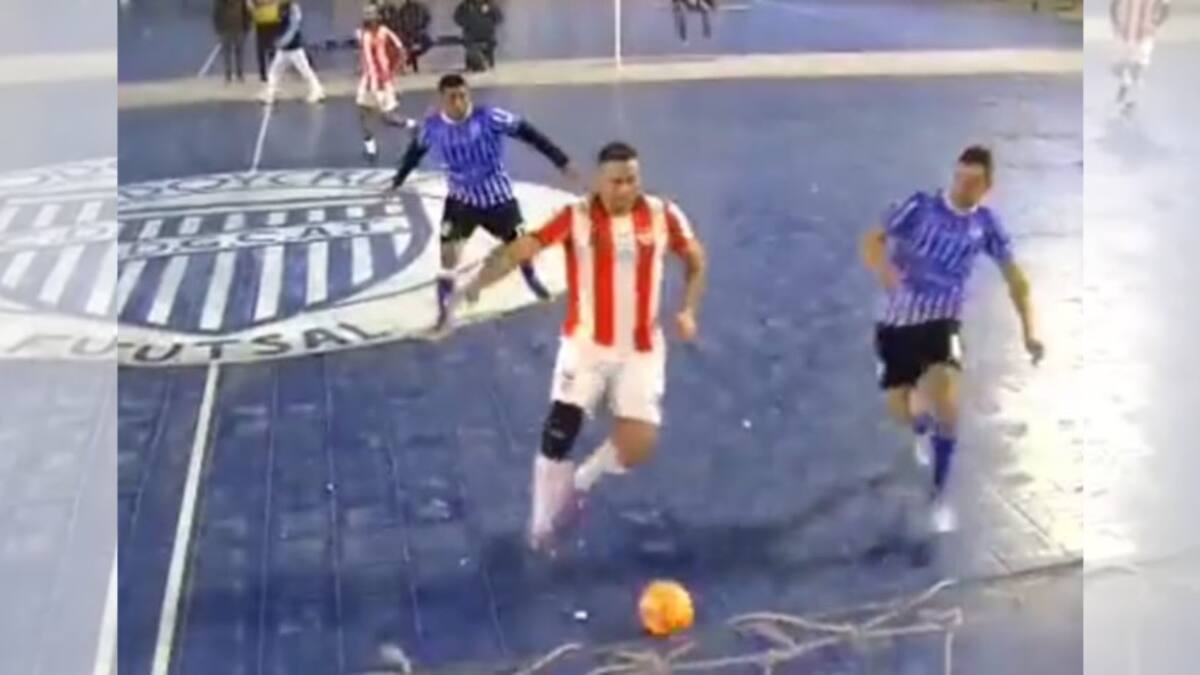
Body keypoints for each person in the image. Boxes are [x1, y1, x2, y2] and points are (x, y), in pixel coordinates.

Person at [451, 141, 708, 551]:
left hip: (641, 349)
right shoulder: (575, 218)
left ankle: (580, 483)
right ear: (598, 181)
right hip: (585, 345)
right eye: (616, 182)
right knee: (559, 431)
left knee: (638, 443)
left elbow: (695, 261)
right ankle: (542, 526)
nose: (625, 189)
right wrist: (477, 284)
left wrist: (689, 310)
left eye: (631, 180)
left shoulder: (663, 215)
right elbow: (522, 249)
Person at [859, 146, 1044, 533]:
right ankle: (919, 426)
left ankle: (938, 495)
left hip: (944, 322)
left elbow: (1016, 280)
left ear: (987, 187)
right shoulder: (920, 206)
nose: (963, 186)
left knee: (948, 400)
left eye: (972, 181)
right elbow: (873, 240)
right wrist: (886, 271)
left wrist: (1030, 331)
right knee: (902, 409)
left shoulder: (987, 226)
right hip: (897, 323)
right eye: (959, 177)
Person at [387, 74, 580, 329]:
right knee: (448, 257)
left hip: (498, 199)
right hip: (460, 202)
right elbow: (415, 153)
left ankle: (531, 277)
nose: (459, 102)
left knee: (520, 248)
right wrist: (398, 180)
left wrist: (561, 160)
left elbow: (529, 133)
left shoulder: (489, 118)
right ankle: (445, 309)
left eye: (463, 96)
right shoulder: (432, 128)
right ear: (441, 100)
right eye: (452, 98)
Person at [356, 3, 416, 163]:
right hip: (367, 81)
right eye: (366, 14)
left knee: (386, 118)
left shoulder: (385, 32)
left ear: (378, 17)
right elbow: (364, 55)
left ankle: (412, 125)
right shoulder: (361, 33)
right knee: (364, 115)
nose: (367, 17)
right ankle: (371, 150)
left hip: (381, 82)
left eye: (371, 14)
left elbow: (402, 51)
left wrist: (392, 72)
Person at [259, 0, 325, 104]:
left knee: (305, 71)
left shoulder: (294, 9)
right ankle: (270, 94)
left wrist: (283, 41)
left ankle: (318, 91)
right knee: (273, 72)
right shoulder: (281, 7)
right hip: (283, 50)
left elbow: (293, 28)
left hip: (295, 48)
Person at [1110, 0, 1170, 114]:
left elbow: (1166, 7)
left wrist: (1156, 24)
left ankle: (1130, 103)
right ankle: (1126, 88)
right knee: (1120, 68)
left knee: (1137, 68)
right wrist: (1116, 23)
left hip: (1144, 36)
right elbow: (1114, 4)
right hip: (1125, 33)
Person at [383, 0, 433, 73]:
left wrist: (422, 27)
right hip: (405, 33)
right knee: (404, 47)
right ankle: (404, 63)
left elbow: (427, 18)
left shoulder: (420, 7)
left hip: (416, 32)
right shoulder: (402, 9)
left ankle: (409, 59)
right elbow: (398, 23)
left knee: (427, 43)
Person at [454, 0, 503, 71]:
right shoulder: (465, 6)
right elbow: (457, 18)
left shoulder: (490, 5)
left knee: (488, 61)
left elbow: (499, 18)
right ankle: (476, 64)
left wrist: (489, 25)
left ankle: (486, 64)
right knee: (473, 59)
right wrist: (467, 24)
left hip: (487, 38)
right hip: (472, 39)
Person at [213, 0, 250, 83]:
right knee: (229, 53)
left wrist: (247, 27)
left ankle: (238, 74)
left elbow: (246, 13)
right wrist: (218, 30)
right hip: (227, 30)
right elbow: (216, 15)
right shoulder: (219, 2)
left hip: (237, 29)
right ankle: (229, 74)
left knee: (237, 52)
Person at [248, 0, 282, 83]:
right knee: (262, 50)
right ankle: (264, 74)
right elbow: (249, 5)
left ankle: (272, 73)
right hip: (262, 23)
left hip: (272, 21)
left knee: (272, 49)